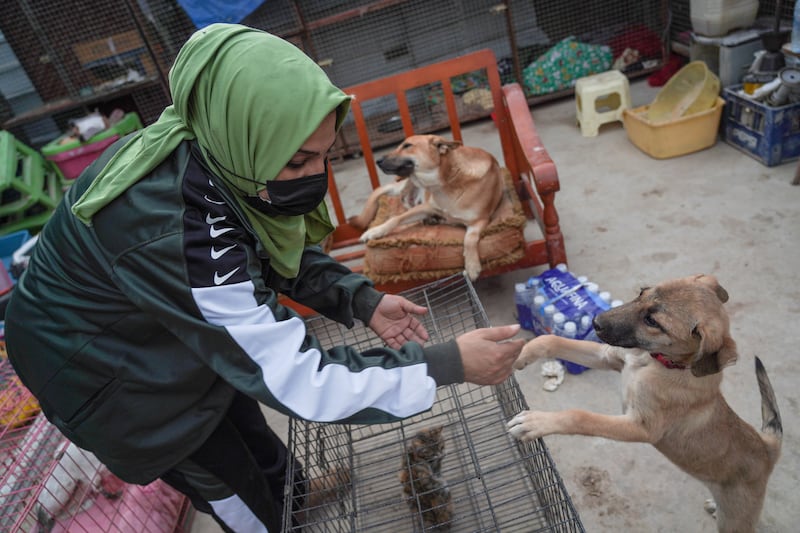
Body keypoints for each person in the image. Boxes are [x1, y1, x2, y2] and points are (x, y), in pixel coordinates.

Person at [4, 24, 524, 532]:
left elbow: (262, 250)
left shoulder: (218, 147)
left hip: (161, 327)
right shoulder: (175, 229)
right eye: (298, 162)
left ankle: (295, 493)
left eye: (323, 155)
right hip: (110, 374)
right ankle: (274, 517)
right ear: (246, 135)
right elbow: (296, 378)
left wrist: (360, 299)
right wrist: (445, 364)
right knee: (227, 475)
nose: (315, 177)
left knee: (240, 411)